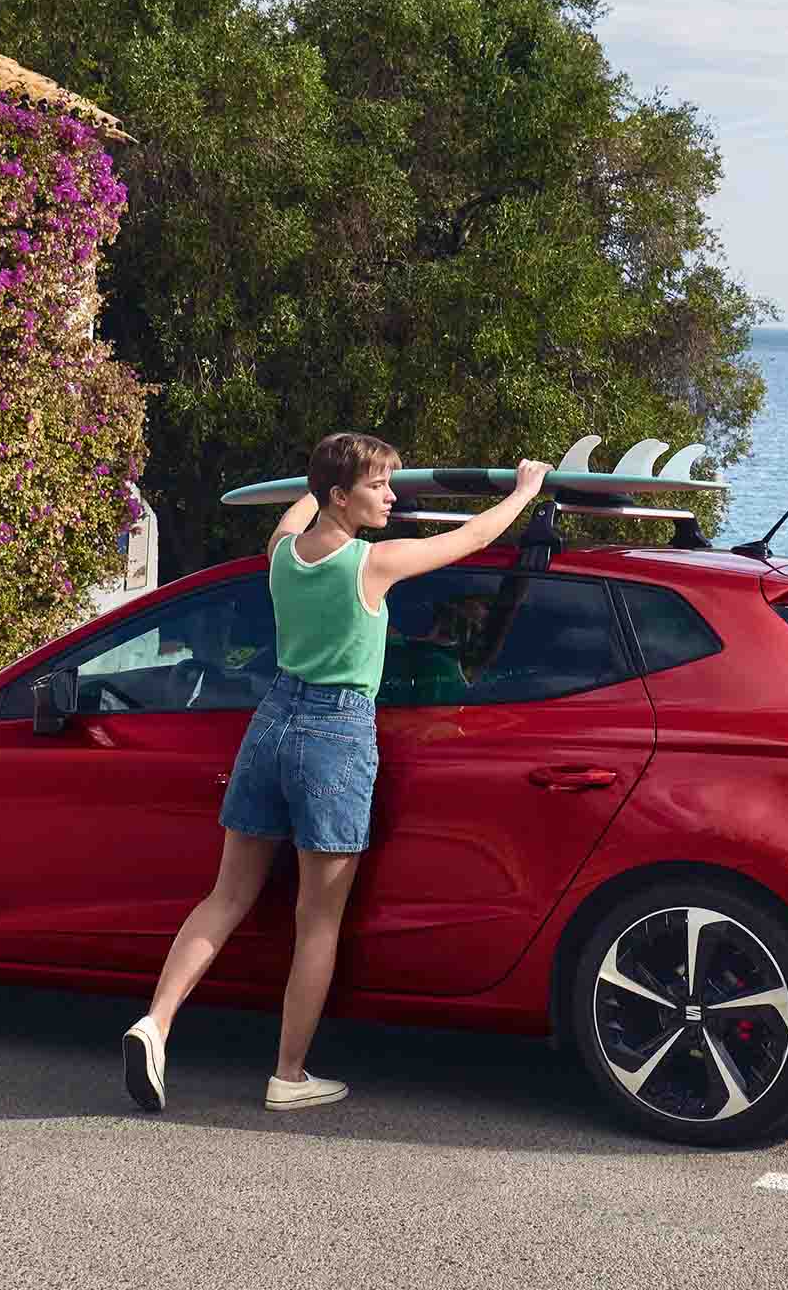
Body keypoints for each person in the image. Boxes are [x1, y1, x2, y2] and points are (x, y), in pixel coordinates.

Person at [120, 434, 549, 1113]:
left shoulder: (283, 557)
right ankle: (289, 1076)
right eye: (380, 486)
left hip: (272, 722)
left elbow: (295, 511)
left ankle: (156, 1023)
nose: (393, 497)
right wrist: (524, 492)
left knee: (226, 897)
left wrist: (322, 481)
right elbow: (469, 540)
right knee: (316, 921)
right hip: (335, 733)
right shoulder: (373, 565)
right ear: (343, 498)